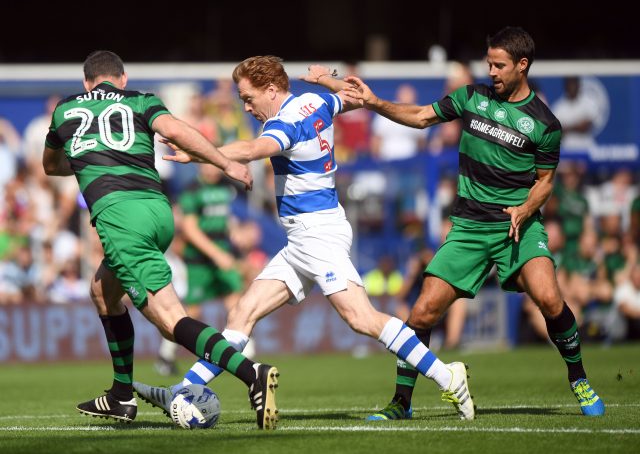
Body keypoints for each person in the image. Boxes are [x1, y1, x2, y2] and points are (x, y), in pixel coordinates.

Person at [133, 55, 475, 422]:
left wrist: (203, 154)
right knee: (242, 313)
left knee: (361, 318)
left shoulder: (286, 123)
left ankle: (446, 375)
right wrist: (327, 79)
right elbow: (352, 96)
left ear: (271, 89)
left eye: (248, 98)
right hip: (307, 236)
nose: (246, 107)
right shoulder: (316, 101)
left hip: (317, 235)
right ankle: (181, 391)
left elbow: (250, 150)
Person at [338, 27, 604, 417]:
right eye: (489, 63)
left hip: (518, 227)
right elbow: (421, 116)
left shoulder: (545, 124)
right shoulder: (471, 97)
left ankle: (579, 379)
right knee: (422, 312)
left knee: (549, 299)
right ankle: (401, 403)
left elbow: (545, 183)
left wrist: (525, 210)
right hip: (469, 227)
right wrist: (373, 102)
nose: (491, 71)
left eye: (500, 65)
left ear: (522, 65)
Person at [43, 50, 280, 429]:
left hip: (120, 216)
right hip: (158, 211)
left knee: (171, 320)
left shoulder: (65, 110)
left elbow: (51, 166)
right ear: (121, 78)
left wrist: (86, 156)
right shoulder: (141, 99)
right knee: (103, 291)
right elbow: (174, 130)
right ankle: (122, 396)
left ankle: (253, 374)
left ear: (87, 82)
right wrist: (225, 162)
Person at [154, 163, 247, 376]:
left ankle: (245, 355)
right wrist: (216, 254)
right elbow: (190, 229)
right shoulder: (192, 190)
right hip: (199, 259)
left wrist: (236, 232)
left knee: (235, 300)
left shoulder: (225, 187)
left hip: (223, 253)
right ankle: (165, 355)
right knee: (192, 311)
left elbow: (225, 220)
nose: (210, 168)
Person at [551, 76, 599, 153]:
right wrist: (577, 125)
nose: (572, 88)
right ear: (566, 87)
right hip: (567, 150)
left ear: (579, 85)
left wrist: (567, 128)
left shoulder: (588, 102)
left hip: (586, 148)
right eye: (570, 85)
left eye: (574, 84)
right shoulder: (558, 107)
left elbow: (585, 128)